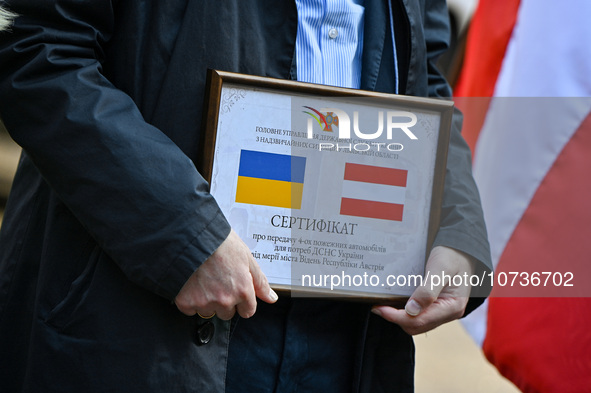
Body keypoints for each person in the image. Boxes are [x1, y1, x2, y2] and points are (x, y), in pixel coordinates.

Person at [0, 1, 491, 392]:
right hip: (143, 322)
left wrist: (453, 226)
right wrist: (181, 235)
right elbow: (41, 48)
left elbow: (423, 80)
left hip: (346, 340)